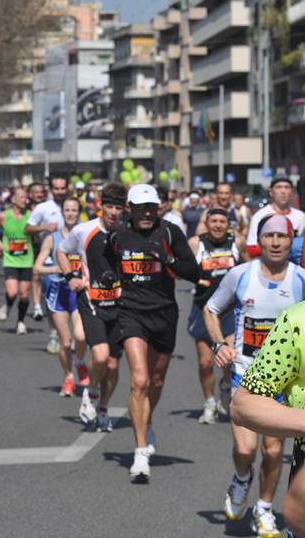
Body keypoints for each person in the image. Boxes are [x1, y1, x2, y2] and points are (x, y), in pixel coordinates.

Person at [203, 214, 305, 538]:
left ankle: (263, 510)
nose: (276, 242)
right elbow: (211, 308)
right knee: (246, 451)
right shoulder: (240, 274)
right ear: (258, 241)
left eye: (282, 237)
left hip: (283, 382)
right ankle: (242, 477)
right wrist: (219, 343)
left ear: (291, 242)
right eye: (269, 236)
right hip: (246, 376)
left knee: (274, 451)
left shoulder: (301, 279)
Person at [105, 184, 199, 481]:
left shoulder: (170, 232)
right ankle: (140, 451)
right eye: (141, 207)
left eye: (152, 207)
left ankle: (147, 421)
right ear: (128, 208)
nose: (147, 212)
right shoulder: (119, 235)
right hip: (131, 312)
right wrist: (108, 276)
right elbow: (107, 260)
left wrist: (168, 259)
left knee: (156, 380)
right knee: (140, 381)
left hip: (164, 313)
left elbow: (194, 272)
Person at [57, 182, 127, 433]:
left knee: (113, 365)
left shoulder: (128, 232)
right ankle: (91, 392)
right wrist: (70, 278)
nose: (112, 212)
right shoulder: (83, 230)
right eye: (108, 206)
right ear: (100, 205)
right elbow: (61, 252)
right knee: (100, 357)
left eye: (117, 208)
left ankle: (104, 408)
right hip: (92, 304)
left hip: (120, 307)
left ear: (124, 209)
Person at [187, 208, 249, 424]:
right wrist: (196, 278)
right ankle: (209, 403)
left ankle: (226, 388)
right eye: (214, 221)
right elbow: (183, 268)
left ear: (228, 223)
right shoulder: (196, 243)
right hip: (203, 308)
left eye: (222, 221)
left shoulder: (237, 242)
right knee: (205, 362)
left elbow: (247, 266)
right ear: (207, 222)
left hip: (229, 310)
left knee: (230, 358)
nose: (218, 225)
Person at [34, 196, 89, 396]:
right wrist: (58, 267)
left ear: (79, 212)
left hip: (79, 293)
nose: (71, 214)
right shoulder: (52, 238)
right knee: (65, 342)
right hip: (59, 293)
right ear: (62, 213)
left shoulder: (85, 234)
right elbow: (37, 267)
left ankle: (80, 362)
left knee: (81, 336)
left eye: (74, 210)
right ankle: (68, 377)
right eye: (67, 210)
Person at [24, 175, 67, 353]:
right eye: (56, 188)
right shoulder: (43, 208)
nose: (59, 192)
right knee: (52, 298)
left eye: (62, 188)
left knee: (72, 299)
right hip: (49, 258)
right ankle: (53, 335)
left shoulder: (73, 206)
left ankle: (67, 336)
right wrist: (44, 227)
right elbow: (27, 229)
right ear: (51, 189)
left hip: (71, 259)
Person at [0, 187, 33, 334]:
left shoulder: (31, 216)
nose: (24, 200)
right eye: (21, 197)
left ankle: (20, 322)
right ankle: (8, 305)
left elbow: (37, 233)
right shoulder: (3, 216)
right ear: (13, 199)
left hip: (27, 259)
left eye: (26, 197)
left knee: (24, 294)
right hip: (10, 260)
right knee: (13, 293)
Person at [246, 174, 305, 259]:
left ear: (291, 191)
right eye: (279, 187)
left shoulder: (301, 216)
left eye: (287, 187)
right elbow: (251, 249)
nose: (283, 191)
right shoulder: (260, 215)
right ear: (271, 192)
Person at [27, 182, 47, 321]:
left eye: (41, 192)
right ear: (30, 195)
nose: (39, 195)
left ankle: (47, 299)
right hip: (30, 246)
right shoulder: (25, 209)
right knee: (35, 276)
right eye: (36, 192)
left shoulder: (49, 207)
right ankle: (37, 307)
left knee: (47, 278)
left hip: (48, 246)